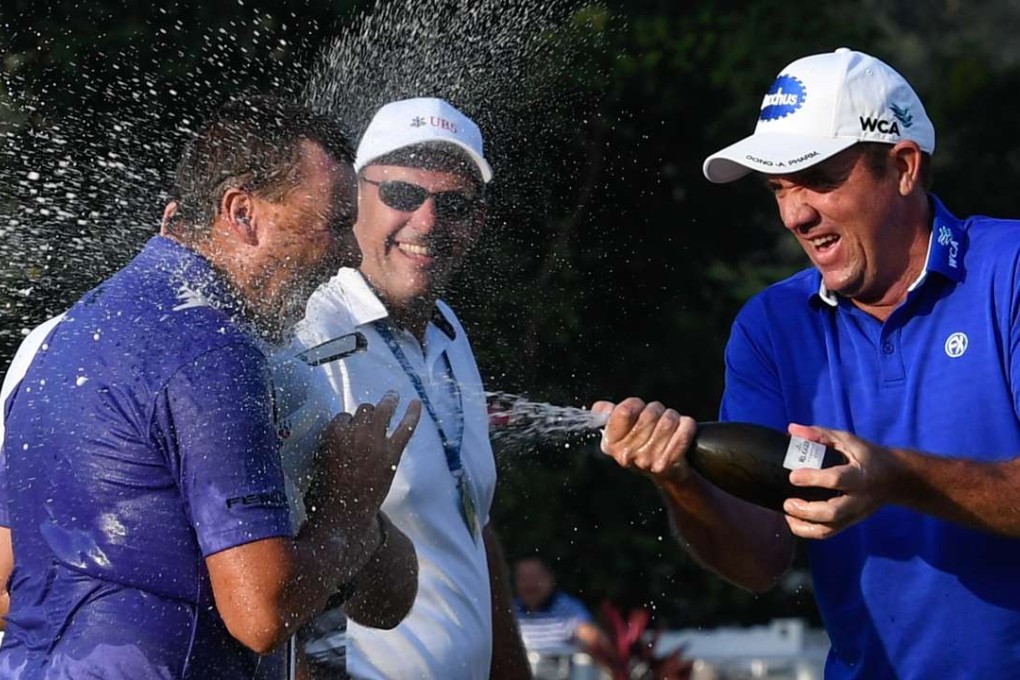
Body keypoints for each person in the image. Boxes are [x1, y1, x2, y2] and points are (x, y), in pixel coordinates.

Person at [595, 48, 1020, 678]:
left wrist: (896, 477)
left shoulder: (1009, 271)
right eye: (778, 187)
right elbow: (759, 561)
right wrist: (681, 479)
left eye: (818, 178)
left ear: (903, 167)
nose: (795, 213)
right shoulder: (770, 327)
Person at [0, 94, 422, 678]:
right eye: (332, 224)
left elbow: (12, 570)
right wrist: (350, 500)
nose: (350, 254)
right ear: (242, 212)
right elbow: (263, 613)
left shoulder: (68, 336)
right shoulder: (213, 350)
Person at [274, 96, 531, 679]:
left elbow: (470, 530)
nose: (427, 221)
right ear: (353, 198)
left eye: (455, 203)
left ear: (479, 220)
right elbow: (269, 564)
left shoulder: (448, 329)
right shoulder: (308, 333)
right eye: (402, 194)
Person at [513, 557, 607, 657]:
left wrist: (591, 637)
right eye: (524, 578)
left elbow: (592, 637)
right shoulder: (509, 612)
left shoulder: (569, 609)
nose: (530, 584)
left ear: (549, 578)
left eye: (535, 577)